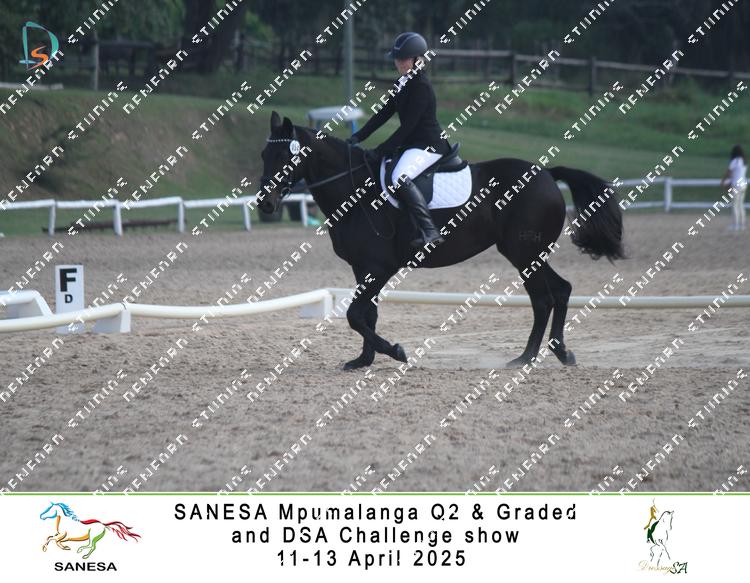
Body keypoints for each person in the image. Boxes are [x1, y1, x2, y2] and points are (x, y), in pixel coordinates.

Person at [346, 32, 451, 247]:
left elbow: (407, 128)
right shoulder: (403, 82)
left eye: (404, 59)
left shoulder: (421, 86)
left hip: (429, 146)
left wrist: (380, 150)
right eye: (397, 59)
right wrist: (357, 137)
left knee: (400, 177)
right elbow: (383, 113)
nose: (399, 63)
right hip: (412, 144)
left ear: (418, 59)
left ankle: (430, 231)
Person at [720, 144, 747, 231]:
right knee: (740, 205)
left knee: (734, 205)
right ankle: (742, 225)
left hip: (736, 185)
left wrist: (723, 181)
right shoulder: (744, 161)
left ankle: (735, 225)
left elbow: (728, 172)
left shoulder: (735, 161)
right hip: (743, 184)